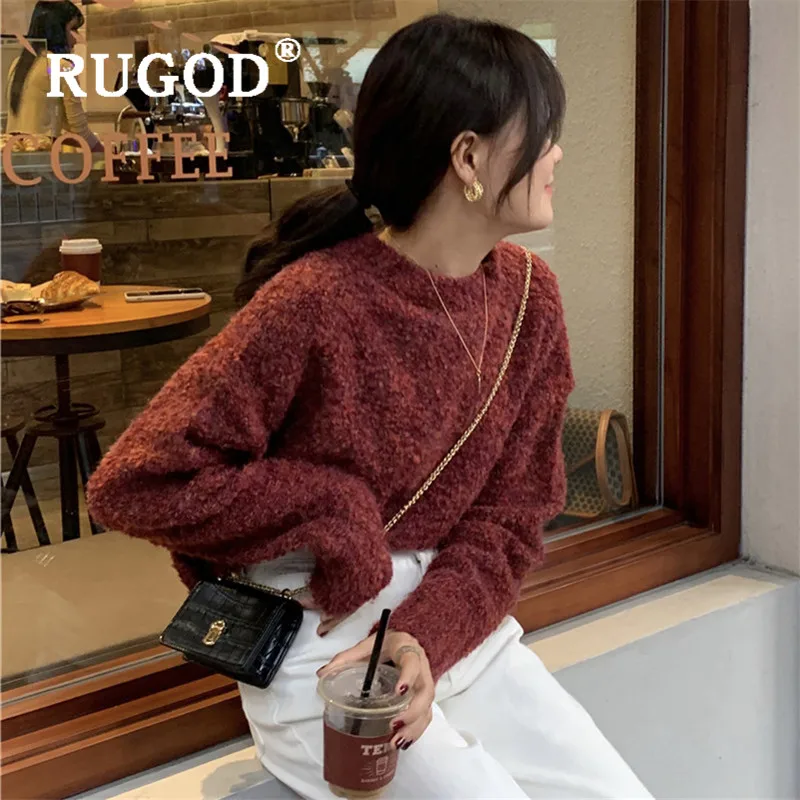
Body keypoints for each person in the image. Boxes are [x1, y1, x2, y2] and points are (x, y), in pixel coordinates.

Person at [87, 13, 652, 800]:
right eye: (544, 133)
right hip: (326, 656)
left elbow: (512, 514)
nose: (557, 153)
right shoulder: (316, 301)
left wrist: (424, 636)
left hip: (456, 631)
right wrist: (333, 511)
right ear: (468, 158)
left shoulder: (530, 297)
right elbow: (138, 482)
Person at [6, 0, 101, 152]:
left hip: (14, 157)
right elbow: (80, 131)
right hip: (44, 159)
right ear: (56, 30)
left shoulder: (17, 64)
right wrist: (106, 153)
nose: (76, 38)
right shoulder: (62, 67)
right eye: (73, 29)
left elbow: (41, 128)